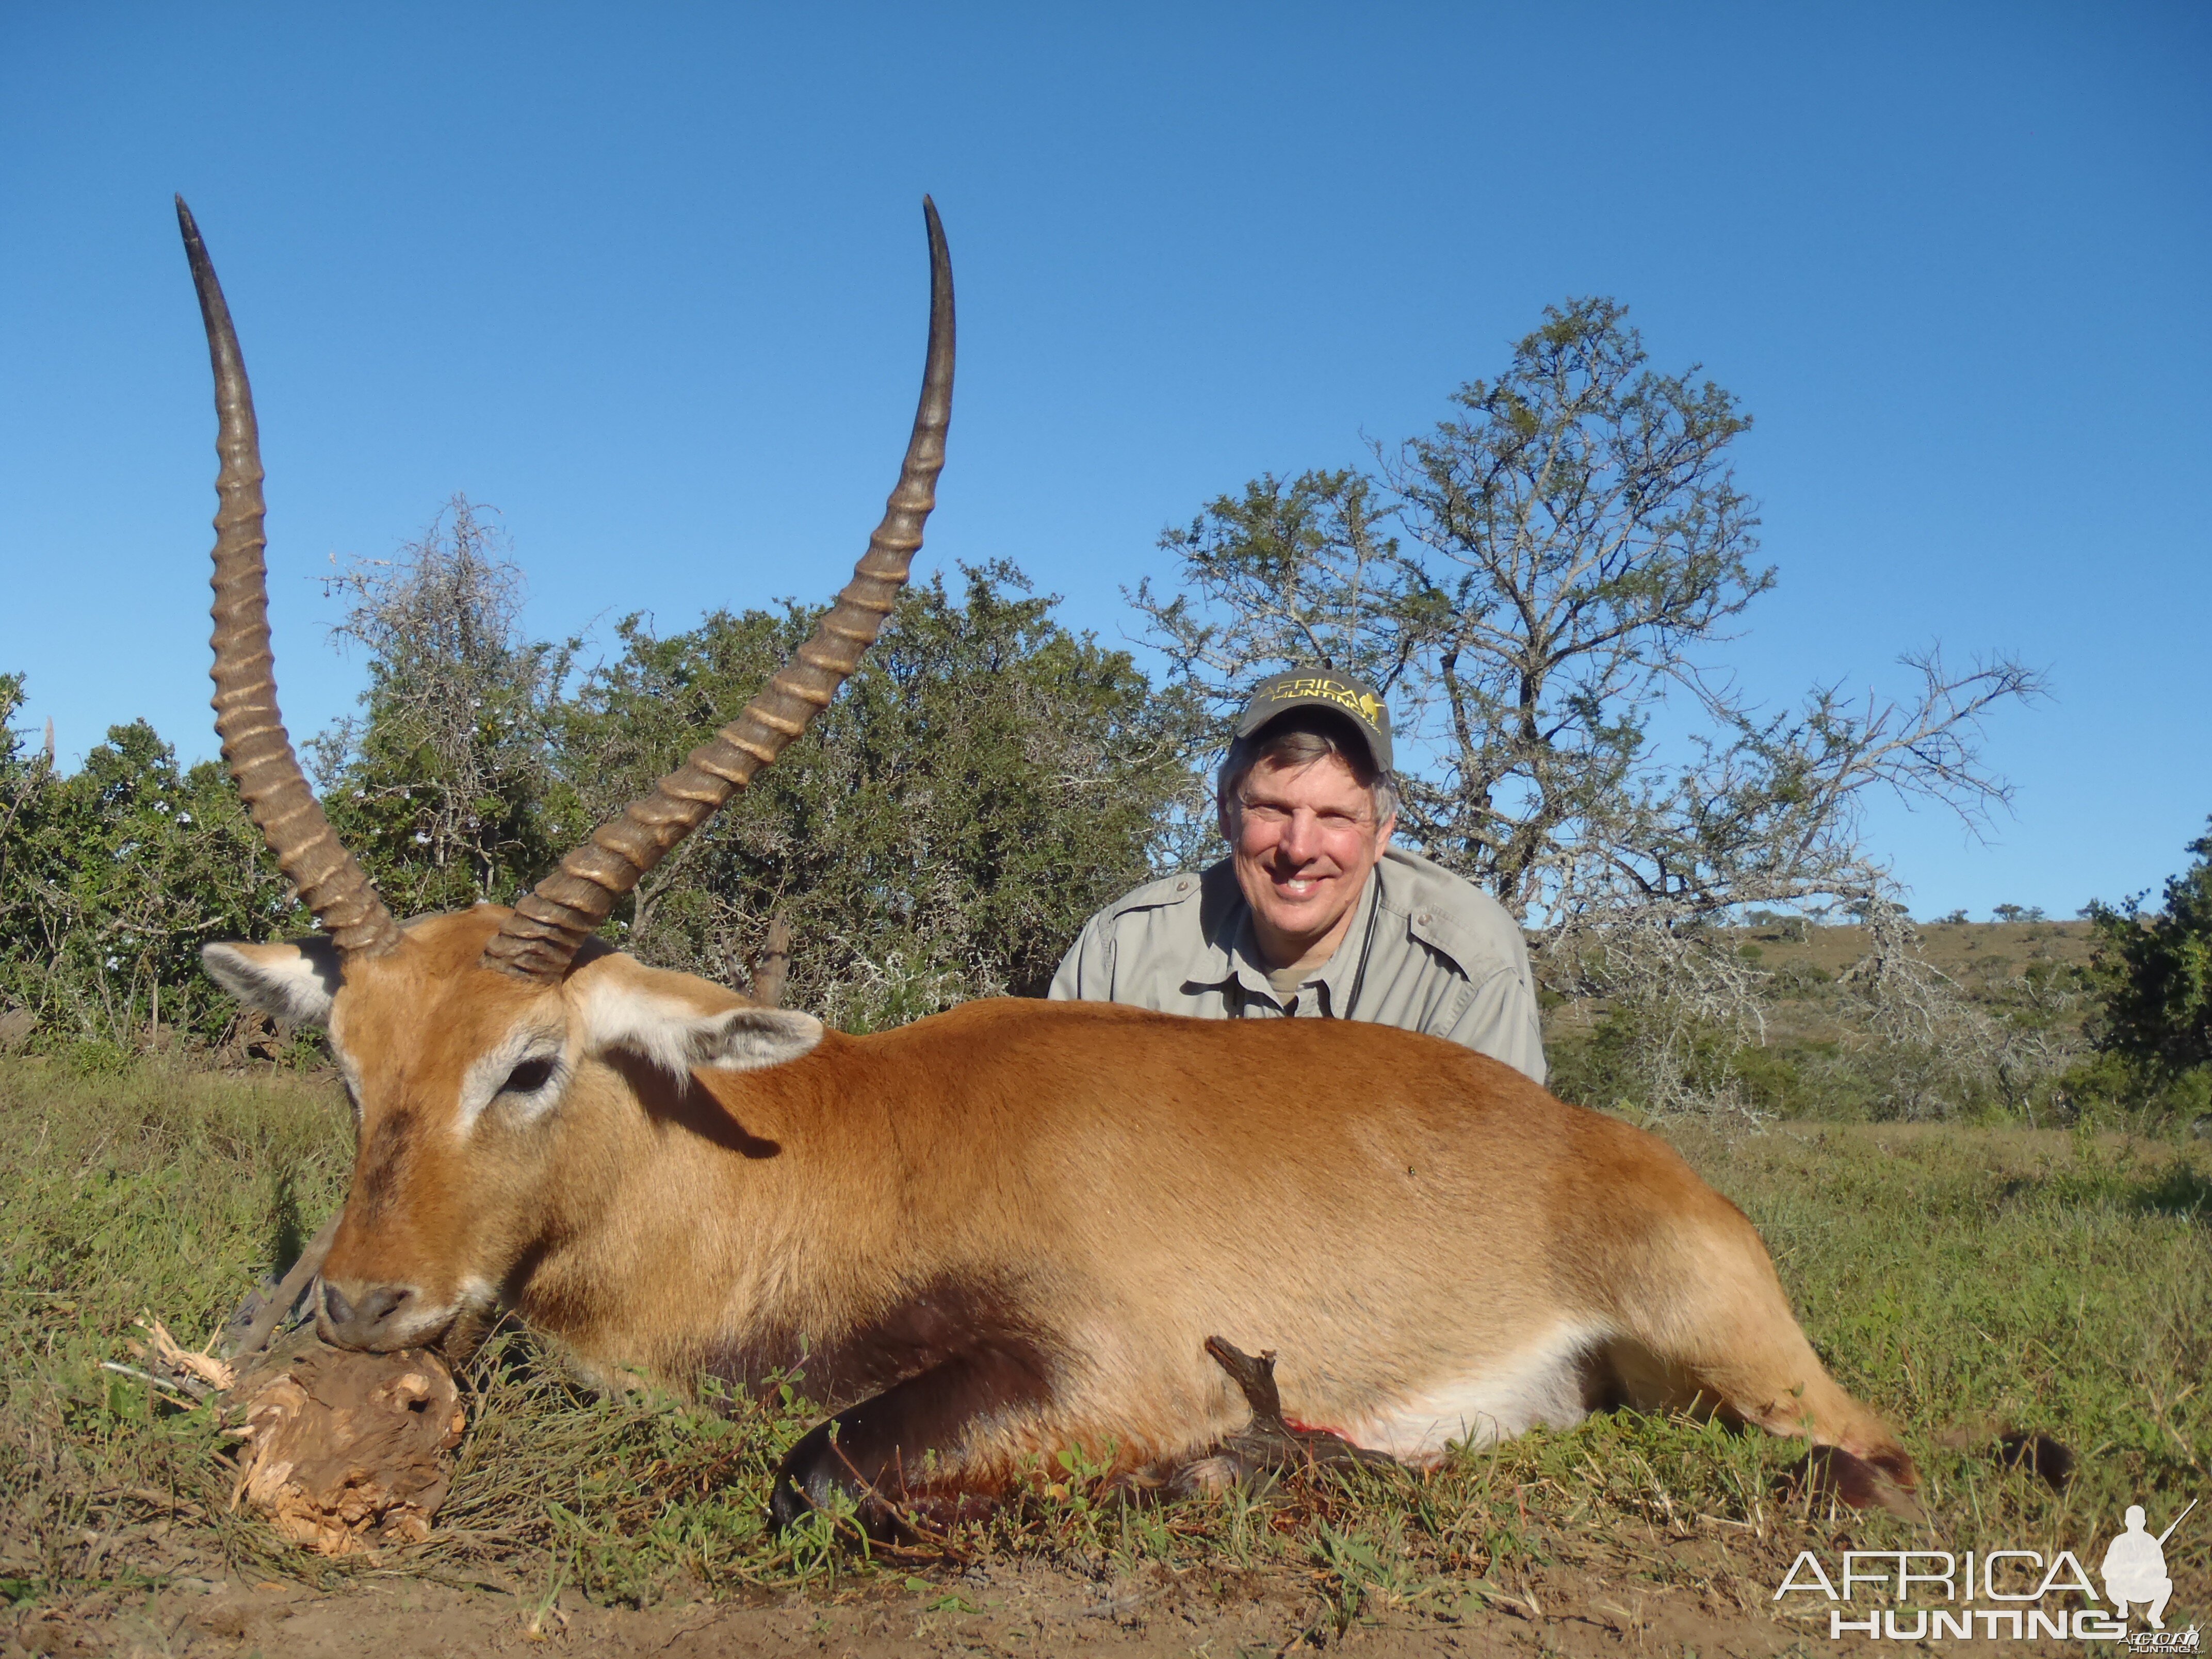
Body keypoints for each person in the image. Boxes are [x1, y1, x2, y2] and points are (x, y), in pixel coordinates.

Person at [1048, 666, 1547, 1084]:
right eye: (1271, 808)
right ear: (1226, 813)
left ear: (1382, 835)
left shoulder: (1469, 967)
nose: (1299, 848)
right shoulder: (1124, 948)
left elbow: (1492, 1182)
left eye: (1336, 817)